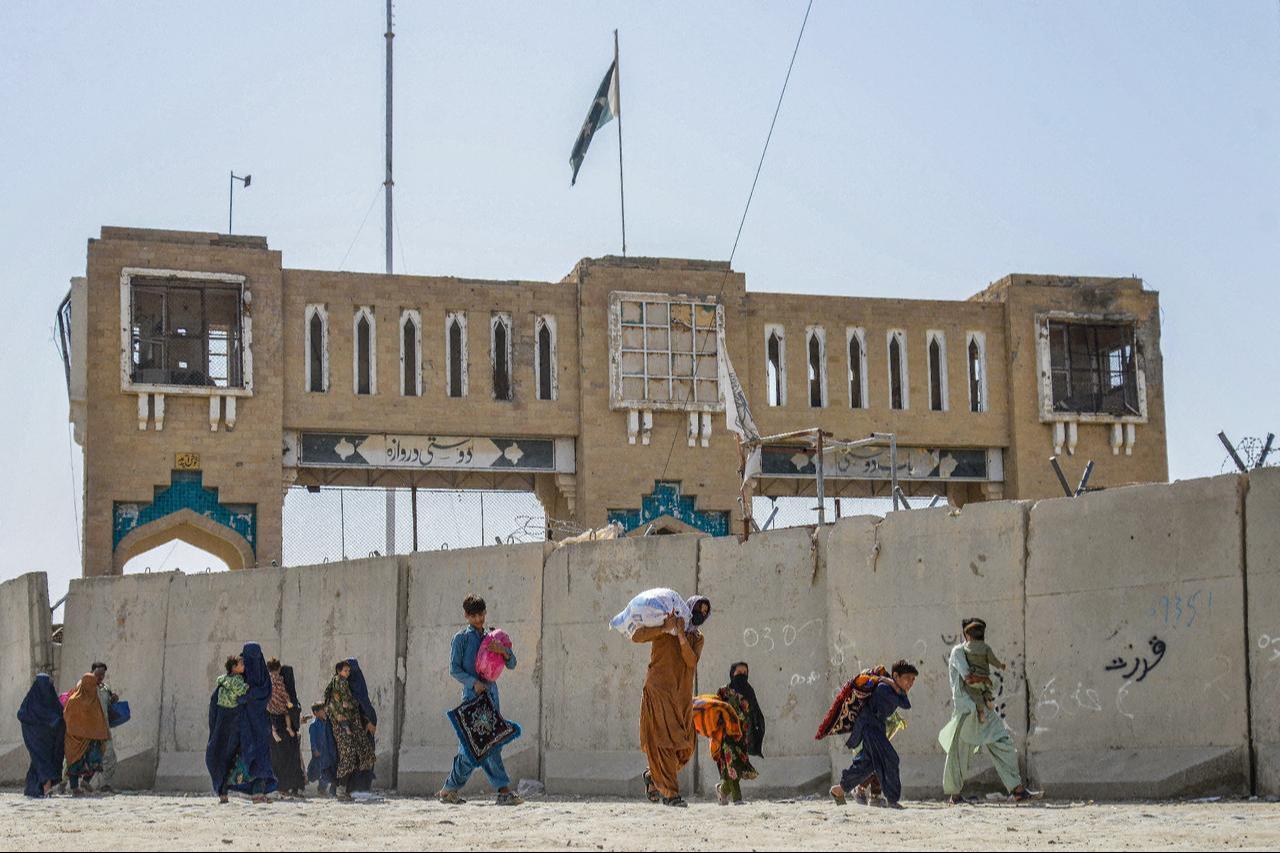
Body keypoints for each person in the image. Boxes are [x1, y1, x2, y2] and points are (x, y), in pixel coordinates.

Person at [939, 618, 1039, 805]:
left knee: (1003, 742)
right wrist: (985, 680)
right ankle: (955, 795)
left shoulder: (981, 652)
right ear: (966, 635)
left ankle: (1017, 790)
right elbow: (968, 677)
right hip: (967, 709)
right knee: (960, 752)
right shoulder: (958, 652)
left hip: (983, 707)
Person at [437, 594, 522, 806]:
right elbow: (454, 669)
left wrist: (502, 650)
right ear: (466, 615)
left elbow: (512, 664)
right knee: (484, 744)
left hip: (491, 696)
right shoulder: (461, 639)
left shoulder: (492, 636)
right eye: (473, 616)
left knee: (478, 745)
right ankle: (503, 791)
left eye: (481, 614)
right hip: (473, 698)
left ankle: (449, 789)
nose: (478, 619)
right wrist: (473, 683)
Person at [633, 595, 710, 808]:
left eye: (705, 612)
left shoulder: (697, 637)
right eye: (698, 609)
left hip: (682, 696)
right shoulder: (664, 624)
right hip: (659, 691)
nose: (701, 614)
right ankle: (670, 794)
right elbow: (636, 636)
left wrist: (681, 636)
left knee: (686, 746)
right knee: (664, 743)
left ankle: (653, 775)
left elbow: (691, 661)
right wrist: (665, 627)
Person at [829, 660, 917, 810]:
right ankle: (893, 799)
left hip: (876, 728)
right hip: (870, 728)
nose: (911, 683)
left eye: (913, 680)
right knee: (891, 759)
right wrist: (889, 682)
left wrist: (894, 684)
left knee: (866, 765)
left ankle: (839, 790)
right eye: (908, 678)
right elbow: (903, 703)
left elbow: (905, 703)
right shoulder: (884, 689)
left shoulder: (893, 689)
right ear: (896, 675)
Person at [206, 645, 278, 804]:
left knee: (261, 757)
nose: (251, 664)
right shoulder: (235, 682)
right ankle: (224, 790)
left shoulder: (262, 680)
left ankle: (258, 792)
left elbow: (264, 694)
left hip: (259, 726)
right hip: (239, 728)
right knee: (230, 757)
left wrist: (248, 698)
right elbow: (218, 702)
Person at [695, 661, 763, 805]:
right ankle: (738, 799)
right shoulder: (724, 691)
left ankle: (722, 789)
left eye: (745, 673)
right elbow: (715, 710)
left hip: (742, 737)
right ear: (732, 674)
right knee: (732, 765)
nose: (742, 676)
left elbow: (754, 712)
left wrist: (757, 729)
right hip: (727, 735)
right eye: (739, 673)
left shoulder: (749, 691)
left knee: (737, 768)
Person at [325, 659, 376, 800]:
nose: (349, 673)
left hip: (357, 728)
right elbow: (338, 707)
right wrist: (346, 725)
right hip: (344, 727)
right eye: (346, 671)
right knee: (347, 756)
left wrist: (369, 720)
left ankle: (349, 789)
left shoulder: (348, 685)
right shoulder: (339, 685)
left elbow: (360, 703)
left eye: (350, 671)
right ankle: (341, 789)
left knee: (357, 755)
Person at [17, 673, 65, 798]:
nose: (48, 688)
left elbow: (61, 716)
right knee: (41, 760)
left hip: (50, 741)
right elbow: (22, 715)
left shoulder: (51, 700)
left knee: (38, 762)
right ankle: (46, 788)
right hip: (36, 740)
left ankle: (33, 788)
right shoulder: (30, 702)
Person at [63, 672, 110, 796]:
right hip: (75, 740)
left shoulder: (95, 701)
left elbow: (100, 720)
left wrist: (100, 734)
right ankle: (74, 788)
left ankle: (85, 782)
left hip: (91, 739)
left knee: (95, 761)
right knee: (74, 764)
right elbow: (67, 718)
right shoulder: (73, 701)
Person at [266, 660, 306, 796]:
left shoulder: (267, 683)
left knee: (277, 758)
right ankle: (291, 787)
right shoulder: (283, 685)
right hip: (285, 726)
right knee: (290, 758)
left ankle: (281, 786)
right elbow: (290, 705)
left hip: (273, 725)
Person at [961, 623, 1006, 724]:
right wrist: (1000, 665)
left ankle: (981, 712)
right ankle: (988, 699)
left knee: (975, 693)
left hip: (973, 679)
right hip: (984, 677)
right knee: (986, 689)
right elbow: (992, 660)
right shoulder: (986, 648)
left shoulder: (965, 648)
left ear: (969, 636)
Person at [90, 662, 119, 794]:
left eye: (103, 674)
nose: (101, 676)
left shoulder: (105, 688)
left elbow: (107, 705)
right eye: (98, 674)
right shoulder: (86, 686)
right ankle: (72, 784)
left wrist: (113, 699)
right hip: (89, 730)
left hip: (104, 729)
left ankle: (104, 784)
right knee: (86, 759)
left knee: (110, 758)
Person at [306, 702, 337, 797]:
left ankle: (322, 789)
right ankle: (306, 780)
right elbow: (313, 739)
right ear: (316, 712)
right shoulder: (314, 725)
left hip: (326, 753)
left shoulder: (326, 723)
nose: (325, 712)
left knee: (325, 772)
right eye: (322, 710)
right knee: (314, 772)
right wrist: (314, 749)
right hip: (318, 753)